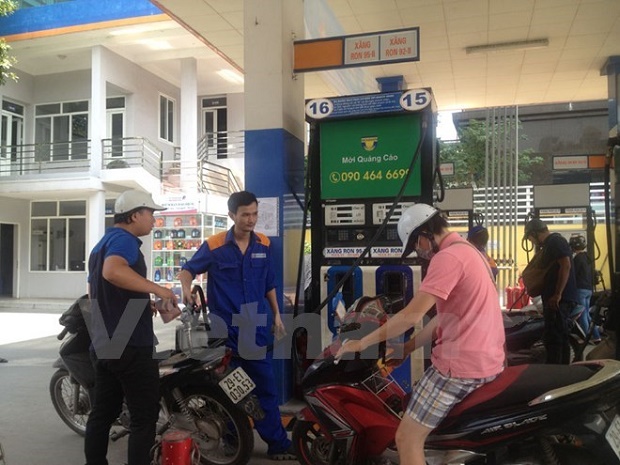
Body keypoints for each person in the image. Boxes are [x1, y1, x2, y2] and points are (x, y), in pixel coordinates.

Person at [337, 203, 505, 465]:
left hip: (459, 368)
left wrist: (361, 343)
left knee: (406, 438)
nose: (418, 251)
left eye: (416, 243)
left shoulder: (447, 258)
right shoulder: (469, 251)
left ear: (426, 233)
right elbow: (442, 317)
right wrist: (408, 348)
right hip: (487, 361)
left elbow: (410, 316)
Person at [178, 190, 295, 460]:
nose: (251, 219)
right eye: (245, 215)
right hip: (224, 332)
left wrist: (277, 315)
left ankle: (277, 444)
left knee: (265, 389)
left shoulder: (264, 244)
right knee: (231, 390)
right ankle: (233, 440)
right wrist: (186, 288)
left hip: (255, 328)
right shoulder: (215, 245)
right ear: (232, 215)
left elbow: (269, 284)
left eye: (254, 214)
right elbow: (187, 270)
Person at [85, 189, 178, 465]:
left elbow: (95, 292)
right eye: (151, 214)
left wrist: (140, 302)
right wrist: (158, 289)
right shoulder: (125, 241)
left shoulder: (101, 244)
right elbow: (112, 272)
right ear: (135, 214)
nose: (153, 220)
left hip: (105, 345)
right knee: (144, 418)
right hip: (131, 347)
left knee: (102, 413)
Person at [523, 218, 579, 364]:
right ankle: (559, 368)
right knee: (556, 335)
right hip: (555, 298)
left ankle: (557, 371)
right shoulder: (549, 245)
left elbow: (565, 265)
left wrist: (557, 294)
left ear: (535, 233)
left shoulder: (555, 241)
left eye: (530, 238)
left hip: (560, 299)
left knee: (556, 337)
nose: (532, 242)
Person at [569, 234, 601, 343]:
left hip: (580, 290)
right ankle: (596, 336)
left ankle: (587, 338)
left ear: (573, 246)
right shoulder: (587, 257)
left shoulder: (577, 259)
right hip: (588, 290)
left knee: (582, 314)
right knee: (587, 314)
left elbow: (572, 275)